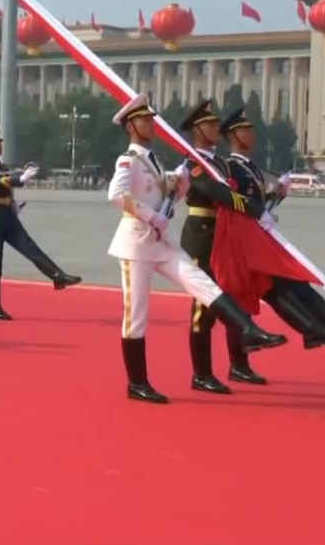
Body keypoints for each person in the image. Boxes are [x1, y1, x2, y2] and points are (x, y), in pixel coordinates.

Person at [107, 94, 286, 404]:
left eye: (151, 118)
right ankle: (137, 383)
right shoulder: (128, 160)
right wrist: (153, 216)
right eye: (145, 120)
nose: (151, 124)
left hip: (160, 242)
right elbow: (116, 195)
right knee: (136, 315)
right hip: (136, 243)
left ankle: (248, 330)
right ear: (131, 127)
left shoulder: (154, 159)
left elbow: (167, 196)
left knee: (203, 283)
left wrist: (181, 186)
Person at [219, 107, 325, 384]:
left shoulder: (250, 166)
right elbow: (231, 202)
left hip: (257, 237)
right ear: (233, 136)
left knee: (294, 283)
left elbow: (257, 203)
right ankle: (314, 331)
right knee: (264, 293)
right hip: (241, 242)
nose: (252, 134)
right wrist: (261, 207)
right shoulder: (229, 167)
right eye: (246, 130)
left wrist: (275, 194)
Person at [176, 99, 268, 394]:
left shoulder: (218, 162)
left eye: (217, 124)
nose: (218, 128)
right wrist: (253, 209)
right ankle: (201, 373)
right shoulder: (193, 164)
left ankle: (238, 364)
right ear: (197, 130)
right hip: (200, 237)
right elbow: (218, 193)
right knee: (204, 306)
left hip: (223, 236)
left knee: (232, 297)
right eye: (212, 125)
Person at [0, 126, 80, 321]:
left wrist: (14, 204)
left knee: (29, 246)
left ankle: (57, 276)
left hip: (7, 214)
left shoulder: (2, 166)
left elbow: (6, 187)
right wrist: (21, 177)